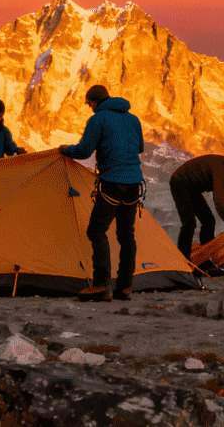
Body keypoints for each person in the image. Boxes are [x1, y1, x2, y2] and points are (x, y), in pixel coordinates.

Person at [59, 85, 144, 301]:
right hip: (134, 183)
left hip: (112, 182)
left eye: (89, 104)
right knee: (126, 235)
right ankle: (125, 287)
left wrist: (65, 150)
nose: (89, 108)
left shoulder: (99, 119)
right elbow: (140, 147)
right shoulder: (133, 119)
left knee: (96, 231)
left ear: (94, 102)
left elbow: (84, 150)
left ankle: (101, 285)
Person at [169, 154, 224, 259]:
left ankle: (206, 257)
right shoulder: (222, 171)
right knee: (189, 223)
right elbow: (219, 201)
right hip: (180, 182)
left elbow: (221, 197)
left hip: (192, 188)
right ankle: (183, 260)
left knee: (209, 220)